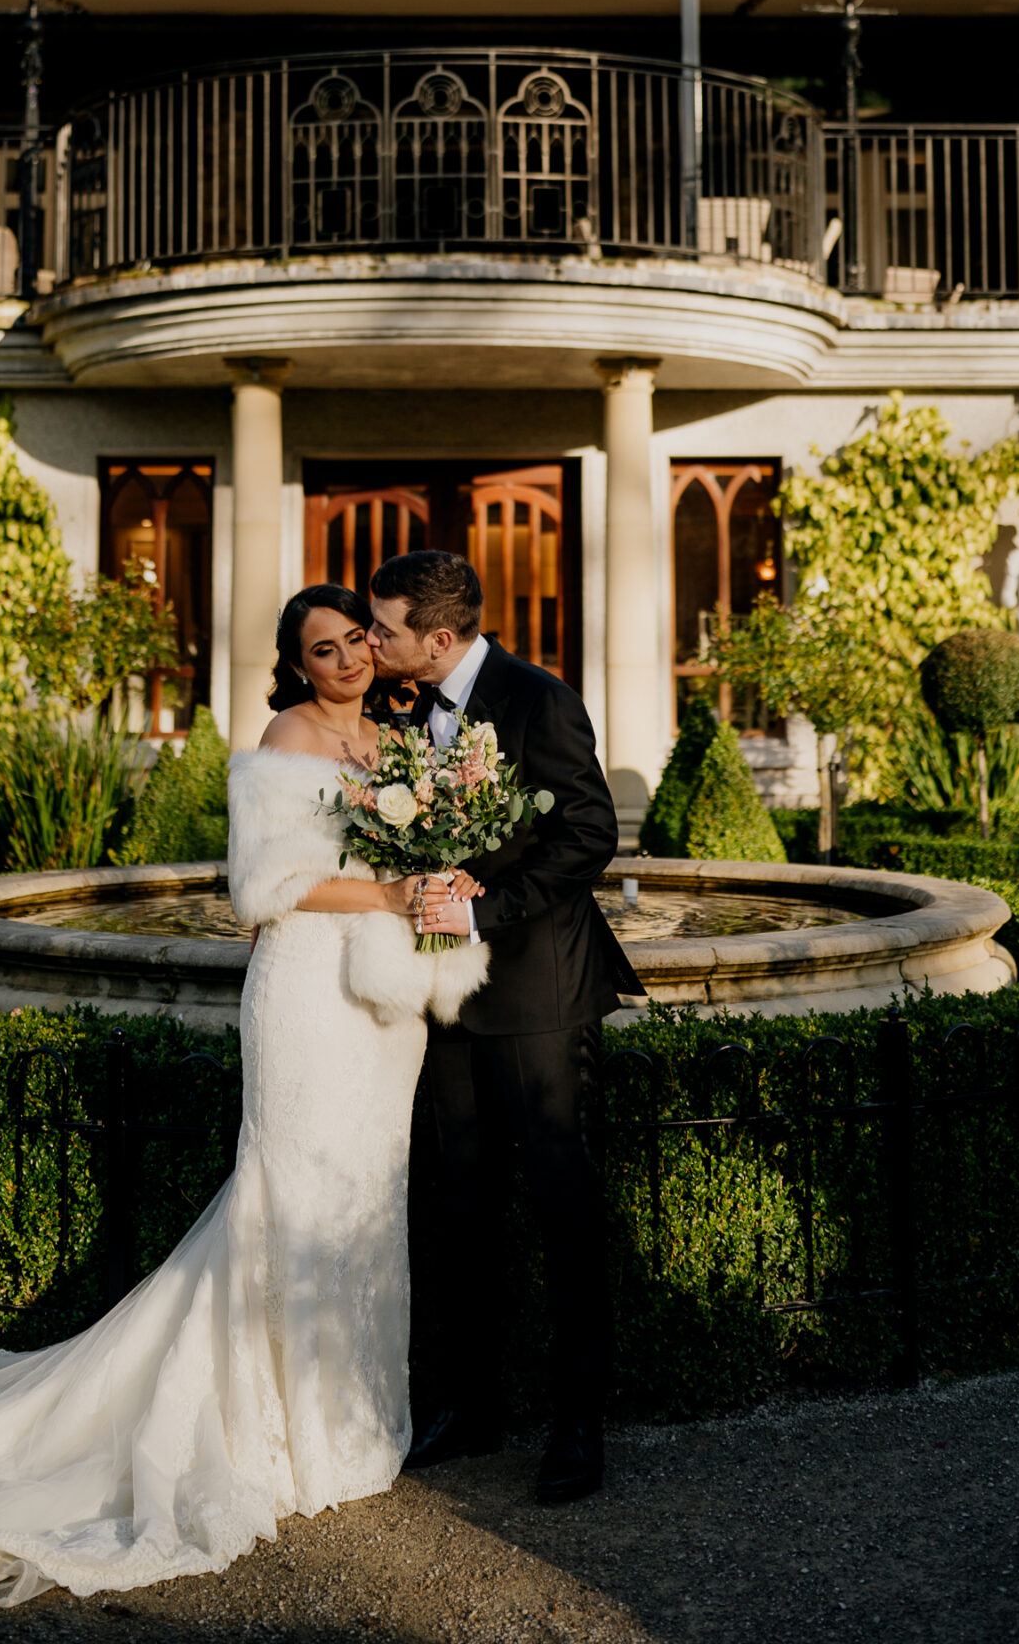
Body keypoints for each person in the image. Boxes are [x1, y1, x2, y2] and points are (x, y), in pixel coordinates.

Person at [0, 584, 464, 1605]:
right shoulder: (286, 735)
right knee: (289, 1193)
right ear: (298, 663)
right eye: (324, 647)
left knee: (364, 1197)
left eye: (356, 638)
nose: (348, 657)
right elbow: (262, 888)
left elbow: (421, 852)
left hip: (383, 1016)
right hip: (307, 994)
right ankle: (271, 1431)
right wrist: (390, 890)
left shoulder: (403, 743)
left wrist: (442, 884)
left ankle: (345, 1423)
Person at [367, 549, 644, 1506]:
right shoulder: (398, 708)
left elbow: (588, 833)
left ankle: (576, 1429)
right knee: (460, 1208)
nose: (373, 642)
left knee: (563, 1212)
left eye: (386, 628)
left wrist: (483, 911)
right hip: (443, 1004)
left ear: (438, 638)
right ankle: (470, 1407)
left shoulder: (538, 699)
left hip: (537, 995)